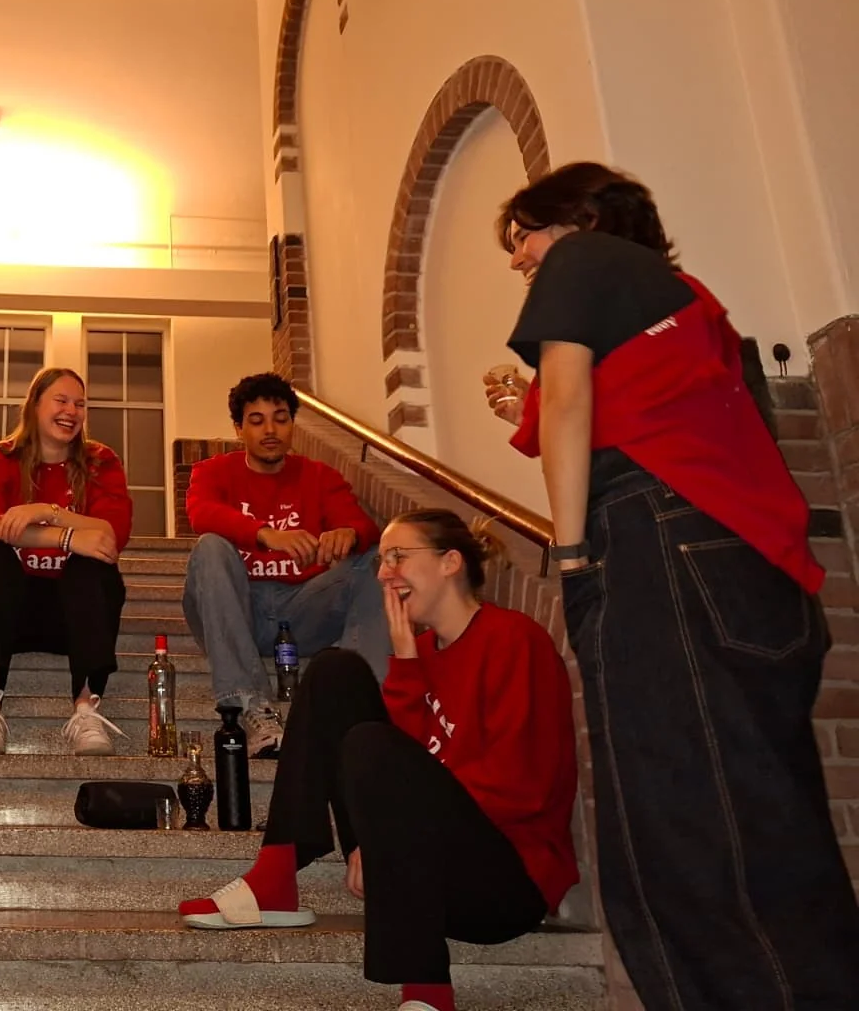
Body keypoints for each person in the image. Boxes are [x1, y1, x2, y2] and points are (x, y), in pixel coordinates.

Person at [496, 161, 859, 1010]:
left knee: (676, 835)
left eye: (525, 236)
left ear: (579, 219)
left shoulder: (582, 259)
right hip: (744, 568)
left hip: (657, 546)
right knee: (762, 828)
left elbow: (573, 404)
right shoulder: (691, 301)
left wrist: (574, 552)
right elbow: (661, 414)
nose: (519, 261)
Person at [179, 510, 579, 1011]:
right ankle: (276, 875)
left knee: (371, 743)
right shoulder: (422, 650)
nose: (384, 572)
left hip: (502, 884)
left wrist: (397, 832)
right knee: (333, 672)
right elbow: (409, 763)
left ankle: (428, 990)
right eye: (382, 559)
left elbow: (520, 788)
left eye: (398, 557)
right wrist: (408, 665)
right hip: (419, 867)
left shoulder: (514, 641)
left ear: (451, 562)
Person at [181, 371, 390, 755]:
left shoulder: (319, 476)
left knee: (373, 560)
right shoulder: (214, 471)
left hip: (300, 613)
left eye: (280, 418)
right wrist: (266, 534)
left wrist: (349, 534)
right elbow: (201, 513)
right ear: (239, 428)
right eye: (256, 420)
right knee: (210, 547)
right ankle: (251, 705)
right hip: (234, 611)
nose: (270, 429)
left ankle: (364, 701)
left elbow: (363, 525)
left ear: (293, 424)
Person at [0, 367, 133, 756]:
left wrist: (47, 512)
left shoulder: (100, 460)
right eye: (61, 400)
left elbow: (112, 535)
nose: (72, 410)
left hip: (75, 613)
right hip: (12, 611)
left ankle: (86, 710)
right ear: (35, 405)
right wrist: (70, 537)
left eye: (80, 404)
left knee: (94, 565)